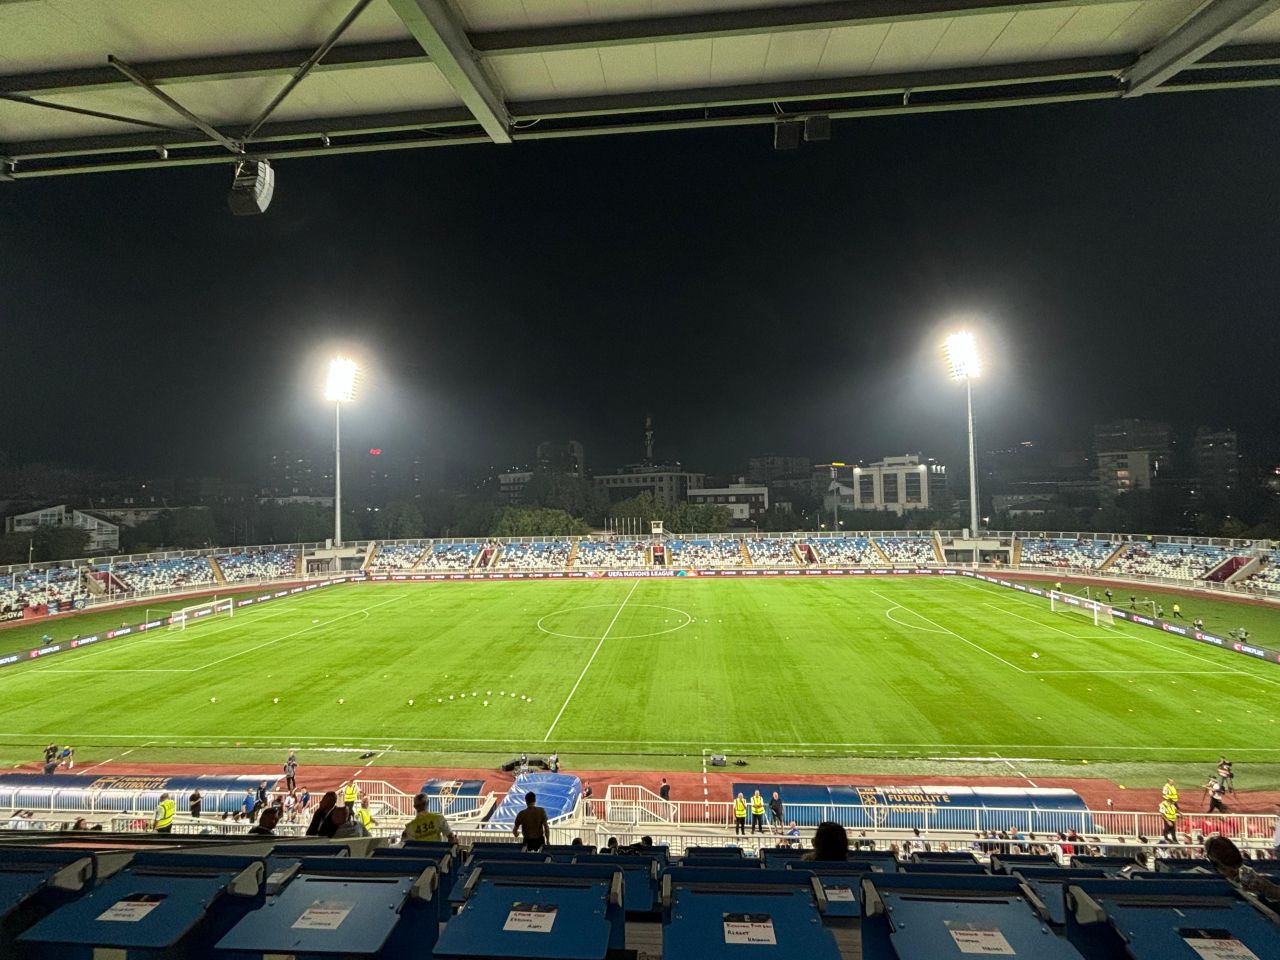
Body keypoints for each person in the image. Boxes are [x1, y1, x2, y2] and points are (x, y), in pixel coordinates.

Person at [1205, 835, 1280, 903]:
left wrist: (1265, 889)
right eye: (1219, 850)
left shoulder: (1251, 875)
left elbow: (1274, 892)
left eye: (1226, 849)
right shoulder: (1208, 880)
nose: (1226, 853)